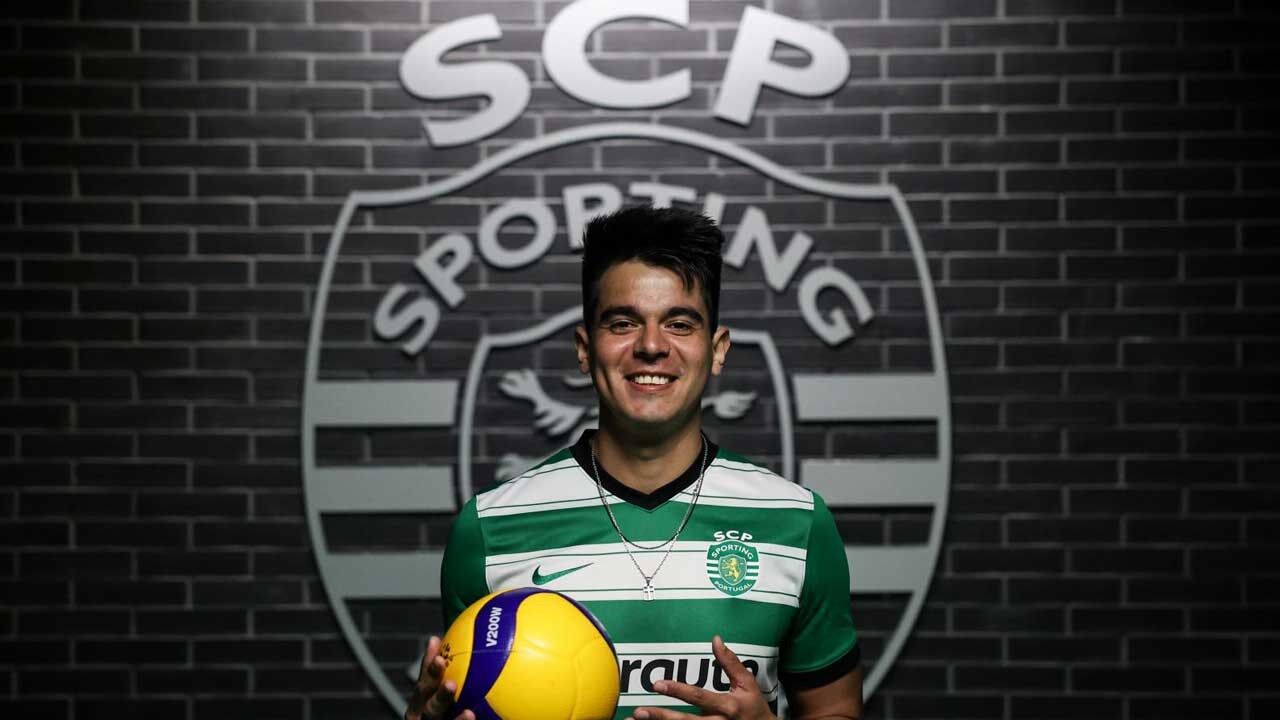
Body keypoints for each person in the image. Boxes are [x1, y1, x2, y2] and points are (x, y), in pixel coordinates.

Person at [406, 205, 863, 720]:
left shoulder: (798, 522)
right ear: (585, 349)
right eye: (623, 323)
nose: (650, 346)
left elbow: (837, 711)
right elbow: (455, 705)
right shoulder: (489, 528)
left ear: (717, 349)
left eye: (679, 324)